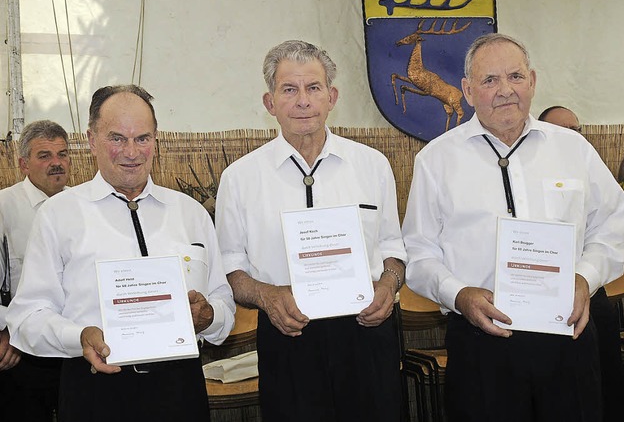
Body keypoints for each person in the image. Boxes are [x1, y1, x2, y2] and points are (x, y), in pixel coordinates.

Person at [402, 33, 624, 422]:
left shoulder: (574, 149)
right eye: (489, 80)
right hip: (481, 341)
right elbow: (420, 253)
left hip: (567, 333)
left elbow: (612, 223)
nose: (505, 90)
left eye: (515, 76)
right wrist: (459, 296)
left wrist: (584, 278)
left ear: (533, 81)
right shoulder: (435, 161)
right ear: (467, 91)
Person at [6, 85, 235, 422]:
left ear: (156, 140)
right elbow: (27, 318)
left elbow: (223, 302)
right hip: (96, 388)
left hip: (180, 388)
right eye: (117, 138)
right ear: (91, 140)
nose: (131, 151)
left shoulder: (190, 213)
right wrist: (79, 337)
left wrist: (210, 317)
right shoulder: (58, 214)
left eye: (142, 138)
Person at [215, 40, 407, 422]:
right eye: (289, 89)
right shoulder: (239, 179)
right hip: (289, 336)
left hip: (366, 332)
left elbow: (392, 248)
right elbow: (231, 269)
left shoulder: (372, 165)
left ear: (331, 96)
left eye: (313, 88)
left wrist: (388, 284)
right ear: (270, 103)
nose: (303, 100)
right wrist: (268, 296)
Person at [540, 106, 624, 422]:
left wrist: (586, 275)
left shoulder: (588, 164)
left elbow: (610, 224)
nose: (571, 137)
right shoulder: (532, 171)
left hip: (587, 292)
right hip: (540, 300)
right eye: (561, 130)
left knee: (603, 384)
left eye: (575, 130)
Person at [0, 120, 70, 421]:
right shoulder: (4, 206)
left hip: (76, 345)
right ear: (23, 164)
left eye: (63, 154)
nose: (56, 163)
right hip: (21, 350)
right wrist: (6, 331)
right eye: (45, 156)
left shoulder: (83, 206)